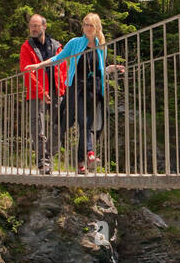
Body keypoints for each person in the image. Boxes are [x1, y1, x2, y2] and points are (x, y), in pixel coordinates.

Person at [25, 13, 123, 174]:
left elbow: (97, 71)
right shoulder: (75, 43)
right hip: (76, 88)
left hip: (94, 90)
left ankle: (81, 162)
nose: (86, 28)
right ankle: (88, 153)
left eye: (90, 25)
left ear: (97, 27)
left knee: (90, 124)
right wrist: (38, 66)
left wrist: (110, 69)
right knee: (79, 121)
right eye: (85, 24)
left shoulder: (100, 47)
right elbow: (58, 58)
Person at [19, 13, 65, 174]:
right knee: (37, 127)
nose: (33, 29)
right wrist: (41, 92)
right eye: (31, 26)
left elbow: (64, 67)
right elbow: (27, 71)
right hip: (36, 92)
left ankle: (48, 154)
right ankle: (43, 162)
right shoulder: (27, 47)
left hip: (56, 91)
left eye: (36, 26)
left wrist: (63, 89)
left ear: (44, 26)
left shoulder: (56, 45)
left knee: (59, 125)